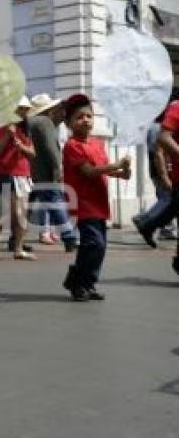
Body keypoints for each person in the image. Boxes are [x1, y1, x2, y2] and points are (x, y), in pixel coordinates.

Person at [61, 94, 131, 300]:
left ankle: (88, 283)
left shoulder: (97, 144)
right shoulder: (72, 145)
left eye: (89, 116)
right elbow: (90, 172)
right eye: (79, 117)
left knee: (99, 246)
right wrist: (116, 165)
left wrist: (123, 172)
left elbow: (105, 170)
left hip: (99, 202)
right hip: (83, 202)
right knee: (94, 243)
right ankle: (76, 282)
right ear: (68, 123)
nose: (85, 120)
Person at [133, 96, 179, 274]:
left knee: (172, 205)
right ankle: (147, 223)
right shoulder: (161, 124)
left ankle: (148, 224)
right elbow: (159, 152)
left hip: (167, 172)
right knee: (169, 202)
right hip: (165, 172)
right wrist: (164, 176)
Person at [27, 93, 77, 252]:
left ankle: (15, 238)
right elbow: (51, 150)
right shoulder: (44, 122)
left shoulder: (32, 123)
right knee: (56, 203)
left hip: (34, 172)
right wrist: (58, 169)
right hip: (46, 173)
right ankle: (69, 236)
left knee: (26, 206)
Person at [0, 97, 37, 261]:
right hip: (7, 172)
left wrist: (21, 147)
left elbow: (32, 153)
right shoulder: (3, 128)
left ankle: (18, 248)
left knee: (22, 213)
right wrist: (7, 137)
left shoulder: (25, 129)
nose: (22, 112)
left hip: (24, 174)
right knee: (13, 213)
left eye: (25, 109)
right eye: (19, 109)